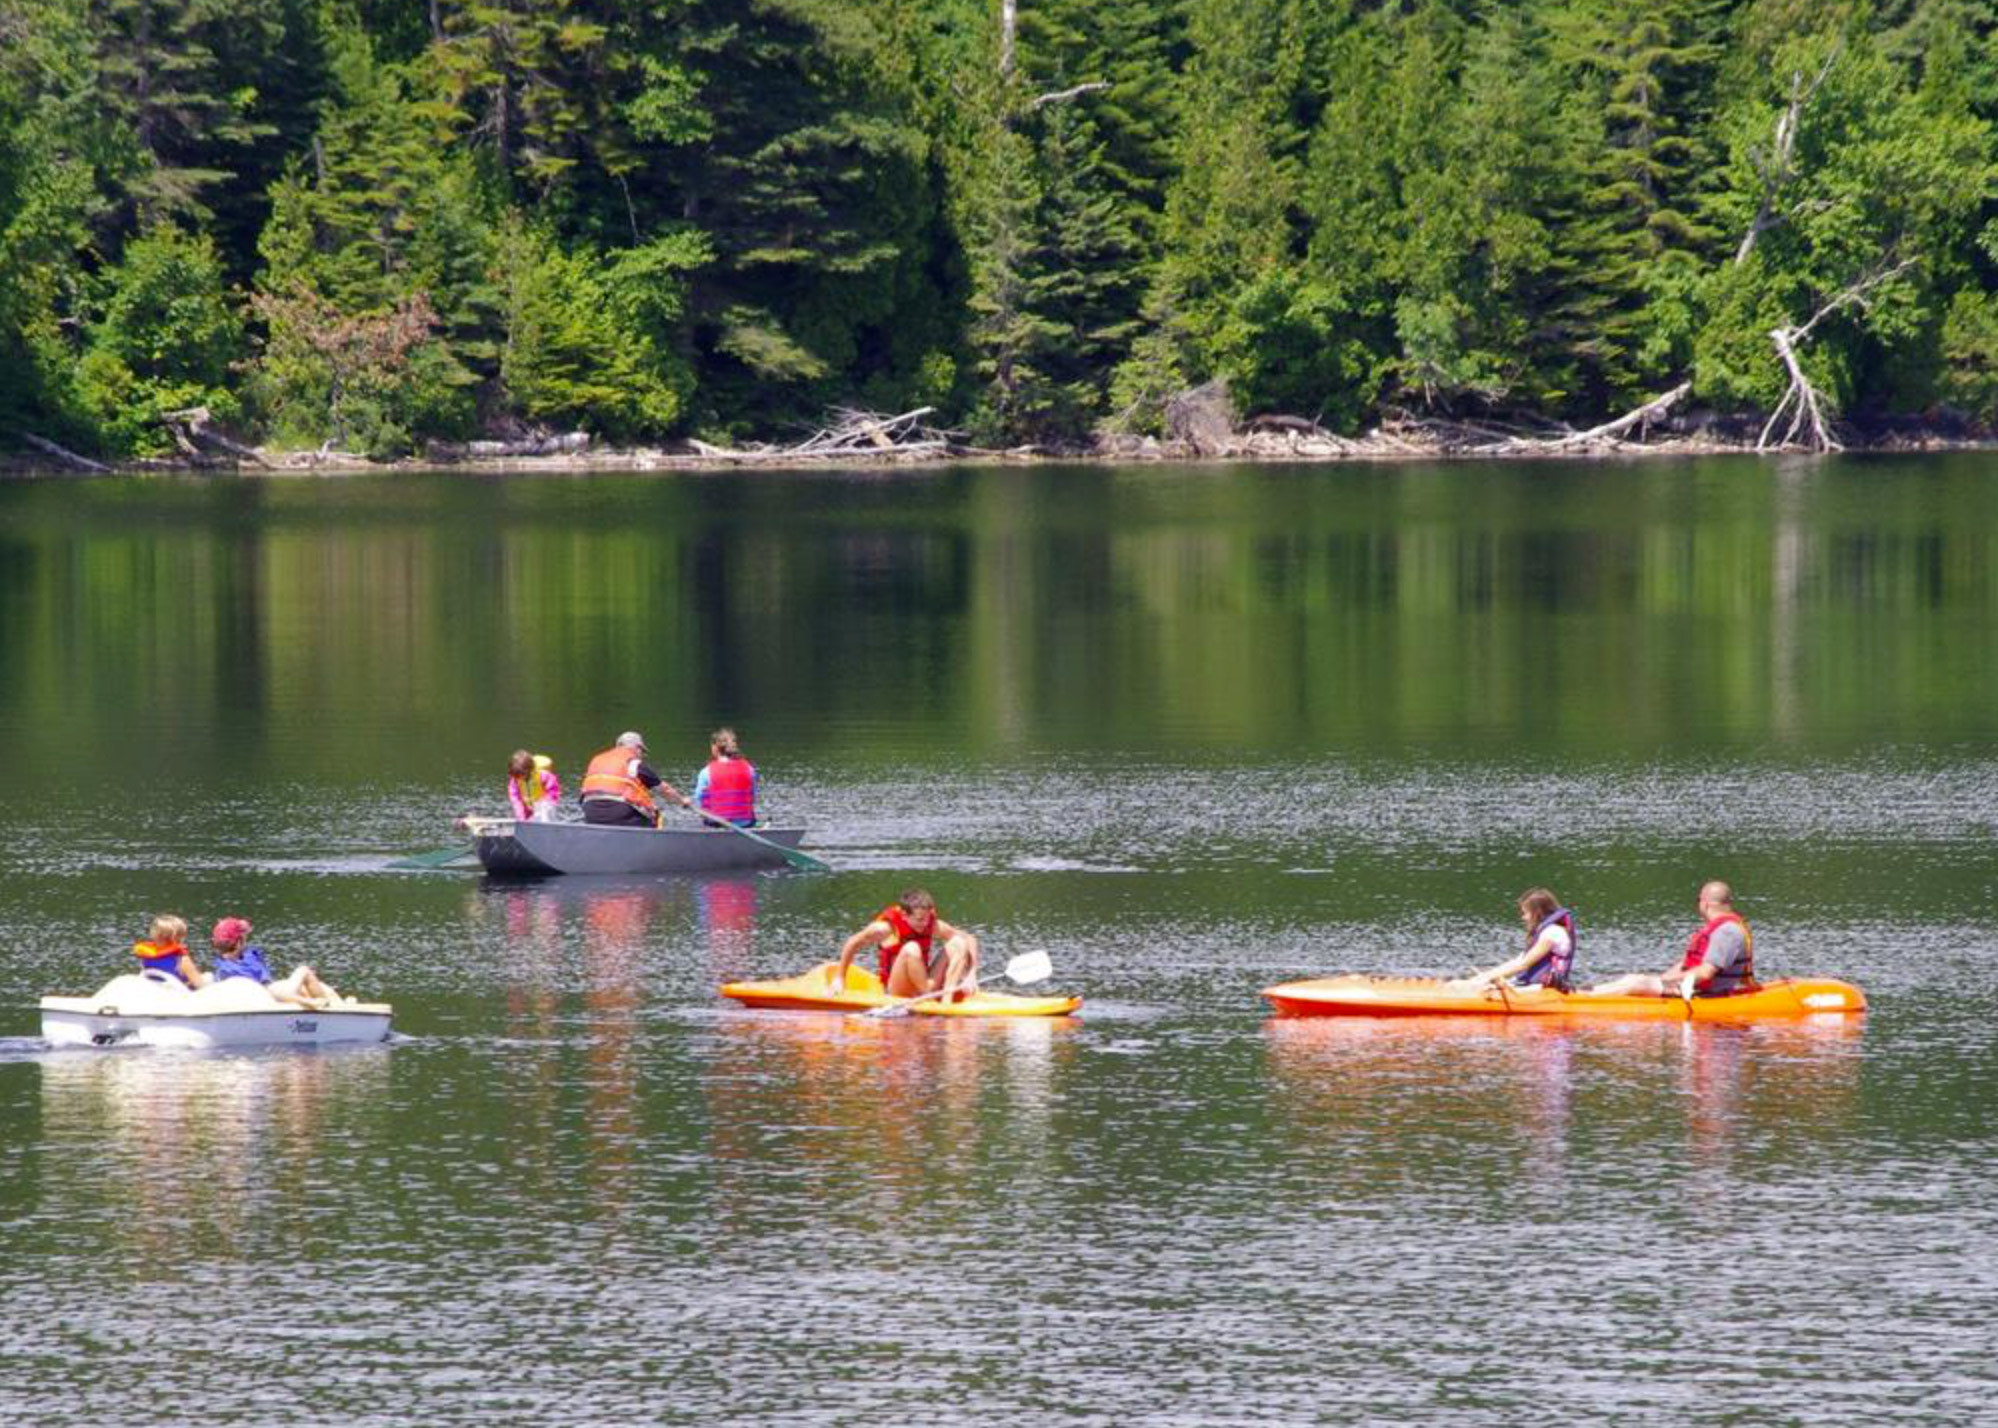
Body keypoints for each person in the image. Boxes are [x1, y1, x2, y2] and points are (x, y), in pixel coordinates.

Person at [1590, 880, 1755, 998]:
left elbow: (1705, 973)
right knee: (1634, 980)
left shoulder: (1726, 932)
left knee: (1635, 983)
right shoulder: (1721, 929)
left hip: (1704, 993)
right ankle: (1585, 993)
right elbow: (1684, 964)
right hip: (1690, 987)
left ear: (1705, 903)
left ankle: (1581, 1000)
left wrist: (1669, 981)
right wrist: (1663, 980)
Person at [828, 888, 981, 1003]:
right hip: (897, 989)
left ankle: (946, 1002)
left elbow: (969, 938)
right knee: (911, 948)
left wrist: (971, 975)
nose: (925, 923)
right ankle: (929, 999)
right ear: (904, 915)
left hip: (925, 984)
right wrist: (840, 977)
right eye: (920, 919)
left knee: (958, 943)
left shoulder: (932, 925)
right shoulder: (884, 929)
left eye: (927, 918)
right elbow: (852, 943)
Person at [1452, 888, 1576, 993]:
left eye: (1526, 913)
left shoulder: (1552, 933)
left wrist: (1482, 981)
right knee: (1472, 985)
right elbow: (1517, 961)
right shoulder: (1547, 931)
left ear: (1537, 913)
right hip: (1533, 986)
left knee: (1483, 989)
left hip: (1543, 989)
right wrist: (1480, 978)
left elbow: (1523, 965)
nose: (1524, 917)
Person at [209, 916, 343, 1010]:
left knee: (315, 987)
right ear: (239, 942)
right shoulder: (248, 960)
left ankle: (337, 1003)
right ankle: (328, 1007)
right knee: (304, 971)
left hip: (256, 997)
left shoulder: (221, 964)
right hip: (267, 997)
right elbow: (265, 985)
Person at [579, 731, 692, 828]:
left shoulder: (597, 760)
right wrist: (682, 801)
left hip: (590, 812)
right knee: (655, 815)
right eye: (642, 751)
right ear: (637, 747)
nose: (641, 755)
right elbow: (665, 790)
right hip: (620, 812)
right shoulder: (634, 763)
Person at [692, 727, 758, 827]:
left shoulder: (706, 772)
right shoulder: (750, 770)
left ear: (715, 748)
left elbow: (699, 799)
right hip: (745, 823)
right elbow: (752, 796)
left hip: (715, 823)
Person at [132, 914, 208, 988]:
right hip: (176, 995)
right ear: (179, 937)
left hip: (155, 992)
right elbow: (199, 984)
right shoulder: (182, 959)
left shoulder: (147, 956)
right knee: (208, 977)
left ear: (153, 935)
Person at [507, 750, 562, 822]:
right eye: (516, 775)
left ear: (529, 770)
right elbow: (516, 800)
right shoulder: (515, 781)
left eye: (521, 774)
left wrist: (545, 805)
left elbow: (553, 791)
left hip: (545, 807)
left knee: (544, 821)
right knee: (524, 820)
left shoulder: (544, 775)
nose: (519, 778)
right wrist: (521, 817)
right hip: (528, 807)